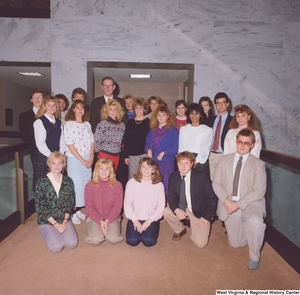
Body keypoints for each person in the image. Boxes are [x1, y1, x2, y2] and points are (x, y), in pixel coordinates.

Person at [212, 128, 267, 270]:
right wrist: (227, 201)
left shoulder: (258, 164)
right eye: (240, 142)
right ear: (236, 142)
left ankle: (255, 255)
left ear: (252, 145)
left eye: (247, 143)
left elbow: (259, 191)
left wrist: (238, 204)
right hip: (229, 203)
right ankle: (250, 232)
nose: (242, 145)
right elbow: (216, 184)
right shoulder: (223, 160)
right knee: (235, 243)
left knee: (255, 222)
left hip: (251, 203)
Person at [163, 151, 217, 248]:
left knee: (200, 244)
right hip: (182, 208)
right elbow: (171, 196)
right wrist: (176, 209)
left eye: (186, 163)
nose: (183, 167)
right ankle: (180, 229)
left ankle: (194, 227)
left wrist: (206, 217)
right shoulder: (173, 176)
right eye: (181, 163)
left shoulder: (202, 177)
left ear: (192, 164)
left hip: (198, 211)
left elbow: (212, 198)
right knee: (166, 211)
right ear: (177, 164)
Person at [34, 151, 78, 253]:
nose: (57, 166)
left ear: (63, 165)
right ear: (49, 164)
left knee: (72, 243)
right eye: (53, 163)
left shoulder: (68, 181)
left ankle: (57, 232)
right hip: (47, 220)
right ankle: (47, 230)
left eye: (60, 163)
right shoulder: (41, 182)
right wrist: (56, 225)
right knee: (56, 247)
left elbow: (70, 203)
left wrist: (65, 221)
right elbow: (39, 207)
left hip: (63, 218)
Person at [64, 100, 94, 224]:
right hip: (75, 159)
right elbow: (69, 144)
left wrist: (91, 157)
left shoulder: (87, 124)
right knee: (75, 186)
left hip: (87, 158)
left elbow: (92, 141)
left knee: (85, 186)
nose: (80, 110)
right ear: (73, 109)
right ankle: (72, 213)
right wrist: (82, 160)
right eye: (77, 108)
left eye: (82, 108)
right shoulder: (69, 124)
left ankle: (79, 211)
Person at [124, 157, 165, 247]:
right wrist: (135, 220)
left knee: (148, 241)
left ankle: (150, 229)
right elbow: (127, 205)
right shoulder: (131, 183)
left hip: (150, 218)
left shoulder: (159, 185)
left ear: (153, 170)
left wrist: (149, 221)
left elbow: (160, 207)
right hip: (135, 217)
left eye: (149, 167)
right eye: (144, 166)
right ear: (140, 168)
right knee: (132, 241)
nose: (146, 169)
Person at [84, 158, 124, 245]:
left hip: (112, 216)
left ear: (111, 170)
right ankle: (95, 232)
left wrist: (107, 221)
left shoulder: (117, 185)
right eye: (101, 168)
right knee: (96, 240)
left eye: (107, 168)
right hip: (94, 217)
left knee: (113, 239)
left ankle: (109, 230)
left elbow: (117, 207)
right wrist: (101, 221)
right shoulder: (89, 185)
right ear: (97, 170)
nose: (104, 171)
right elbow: (89, 207)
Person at [33, 95, 65, 190]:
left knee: (57, 185)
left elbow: (62, 140)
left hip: (57, 158)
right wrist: (52, 157)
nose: (51, 107)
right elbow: (40, 144)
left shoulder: (59, 122)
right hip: (44, 157)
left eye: (54, 105)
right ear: (44, 106)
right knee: (43, 186)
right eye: (49, 105)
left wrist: (60, 155)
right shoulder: (39, 122)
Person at [145, 104, 179, 194]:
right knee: (153, 183)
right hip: (154, 161)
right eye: (159, 115)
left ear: (168, 116)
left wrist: (164, 152)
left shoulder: (173, 130)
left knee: (166, 184)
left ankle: (166, 203)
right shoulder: (152, 130)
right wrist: (148, 149)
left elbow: (176, 148)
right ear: (155, 116)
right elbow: (147, 143)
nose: (161, 117)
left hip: (166, 162)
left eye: (163, 115)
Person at [179, 103, 213, 174]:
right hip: (186, 160)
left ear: (200, 115)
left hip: (201, 160)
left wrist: (196, 161)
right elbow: (181, 147)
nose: (194, 116)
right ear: (188, 114)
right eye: (192, 113)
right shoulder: (183, 129)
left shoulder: (207, 130)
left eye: (196, 113)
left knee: (201, 184)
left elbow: (206, 148)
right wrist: (184, 161)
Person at [205, 92, 233, 180]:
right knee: (212, 183)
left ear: (227, 104)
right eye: (218, 103)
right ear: (215, 105)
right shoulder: (210, 120)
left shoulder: (233, 121)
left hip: (225, 155)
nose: (220, 105)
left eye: (223, 102)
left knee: (225, 182)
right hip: (211, 155)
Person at [94, 99, 125, 171]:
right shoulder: (102, 124)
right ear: (106, 111)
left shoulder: (122, 125)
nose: (113, 111)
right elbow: (96, 139)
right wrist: (97, 154)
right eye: (111, 109)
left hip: (116, 155)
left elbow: (121, 141)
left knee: (112, 177)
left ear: (118, 111)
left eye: (115, 109)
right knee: (103, 175)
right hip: (104, 154)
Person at [123, 97, 150, 179]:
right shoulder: (130, 123)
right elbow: (126, 140)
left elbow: (151, 140)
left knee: (144, 177)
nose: (138, 110)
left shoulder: (149, 122)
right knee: (132, 178)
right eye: (136, 108)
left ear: (144, 109)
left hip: (144, 154)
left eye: (140, 108)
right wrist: (126, 155)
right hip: (132, 156)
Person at [19, 89, 44, 167]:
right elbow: (24, 135)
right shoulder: (24, 116)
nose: (37, 99)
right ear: (31, 100)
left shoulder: (48, 114)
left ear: (43, 99)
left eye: (40, 97)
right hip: (34, 150)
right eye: (35, 97)